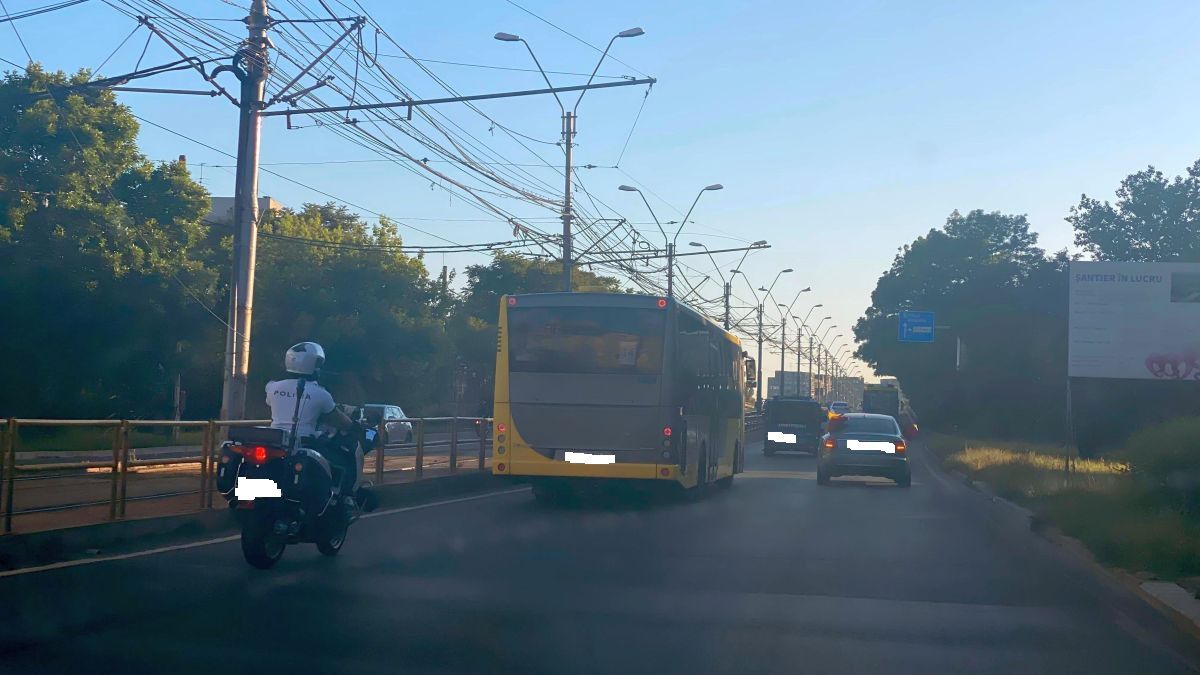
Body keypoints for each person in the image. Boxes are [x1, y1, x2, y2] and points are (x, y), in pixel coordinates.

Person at [266, 342, 360, 502]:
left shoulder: (272, 387)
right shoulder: (321, 394)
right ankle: (334, 500)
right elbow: (339, 420)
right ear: (313, 365)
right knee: (340, 462)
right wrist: (354, 426)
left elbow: (272, 404)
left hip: (274, 441)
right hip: (305, 443)